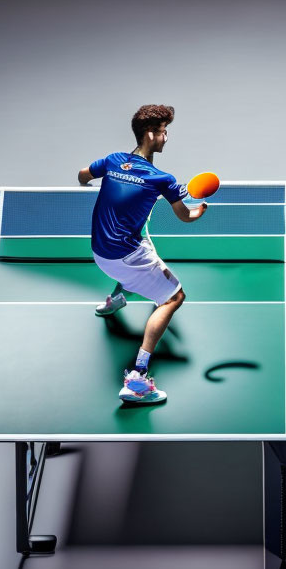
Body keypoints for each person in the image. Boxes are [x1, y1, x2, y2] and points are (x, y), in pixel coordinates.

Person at [78, 104, 207, 403]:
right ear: (151, 134)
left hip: (99, 251)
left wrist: (87, 183)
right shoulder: (162, 179)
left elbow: (84, 175)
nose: (166, 138)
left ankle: (116, 299)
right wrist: (199, 211)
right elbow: (184, 217)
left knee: (144, 242)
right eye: (163, 132)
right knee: (174, 297)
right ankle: (137, 379)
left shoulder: (112, 160)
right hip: (125, 257)